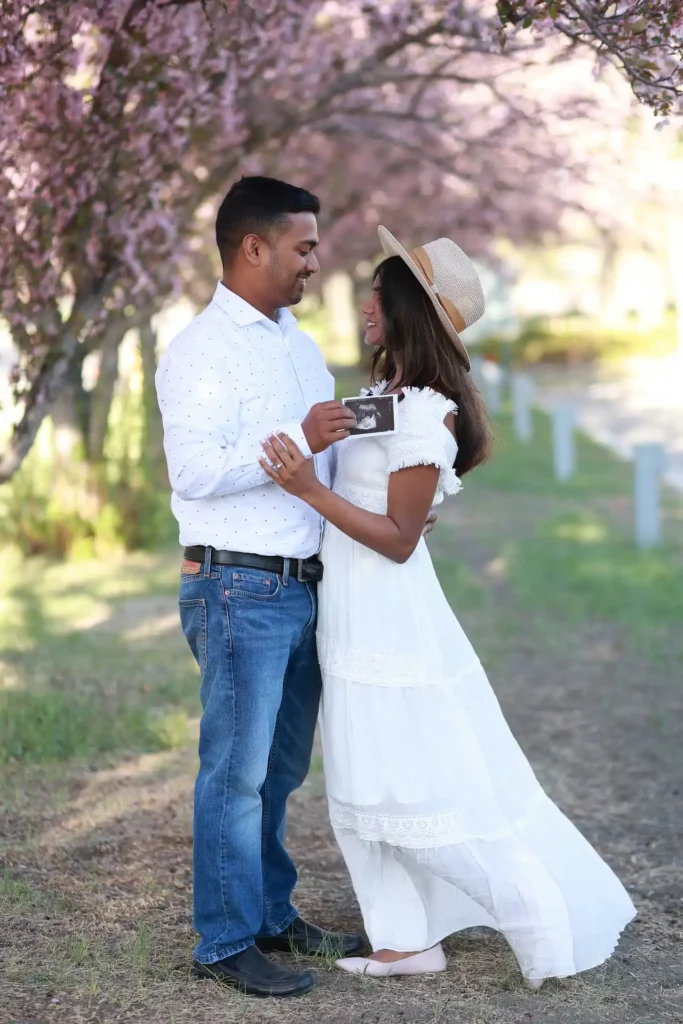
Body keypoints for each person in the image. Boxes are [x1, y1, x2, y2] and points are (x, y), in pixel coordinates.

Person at [259, 226, 637, 986]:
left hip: (387, 616)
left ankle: (536, 914)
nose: (363, 305)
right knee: (358, 787)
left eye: (375, 293)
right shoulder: (386, 400)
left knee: (401, 780)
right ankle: (404, 940)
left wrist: (310, 489)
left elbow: (400, 538)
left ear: (404, 310)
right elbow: (392, 503)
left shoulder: (427, 412)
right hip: (350, 610)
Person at [155, 176, 362, 999]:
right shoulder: (199, 351)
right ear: (253, 247)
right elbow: (195, 472)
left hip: (303, 587)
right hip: (237, 589)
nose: (315, 262)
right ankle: (225, 942)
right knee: (233, 775)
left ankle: (272, 912)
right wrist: (296, 439)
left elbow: (317, 460)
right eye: (303, 247)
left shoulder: (295, 342)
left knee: (278, 774)